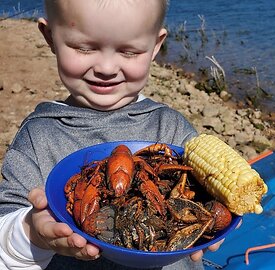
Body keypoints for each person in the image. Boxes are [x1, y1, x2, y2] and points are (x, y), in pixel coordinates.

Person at [0, 0, 224, 269]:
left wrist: (219, 212)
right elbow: (6, 227)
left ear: (156, 45)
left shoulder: (171, 128)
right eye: (84, 47)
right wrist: (32, 233)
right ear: (50, 37)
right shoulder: (39, 137)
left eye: (129, 52)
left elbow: (210, 189)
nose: (106, 68)